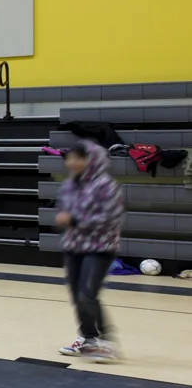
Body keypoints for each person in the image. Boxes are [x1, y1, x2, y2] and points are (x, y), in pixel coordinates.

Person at [55, 141, 125, 362]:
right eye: (70, 158)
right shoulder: (69, 185)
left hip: (100, 248)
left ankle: (108, 341)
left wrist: (75, 220)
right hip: (74, 247)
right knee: (77, 296)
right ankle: (88, 338)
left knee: (88, 294)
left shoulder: (107, 185)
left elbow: (111, 218)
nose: (72, 162)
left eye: (78, 158)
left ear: (91, 159)